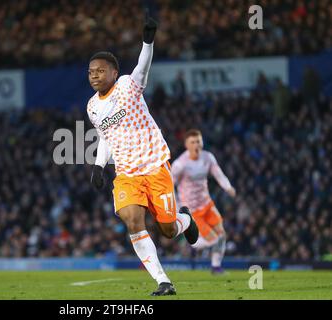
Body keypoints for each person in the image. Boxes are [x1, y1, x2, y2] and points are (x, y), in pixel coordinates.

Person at [87, 10, 198, 296]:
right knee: (132, 220)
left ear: (113, 71)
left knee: (168, 230)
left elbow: (142, 68)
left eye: (100, 70)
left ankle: (185, 220)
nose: (94, 75)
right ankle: (163, 281)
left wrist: (147, 42)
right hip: (126, 174)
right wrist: (99, 166)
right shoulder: (92, 107)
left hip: (154, 166)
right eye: (90, 72)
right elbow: (105, 137)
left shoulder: (127, 85)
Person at [171, 129, 236, 274]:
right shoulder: (180, 164)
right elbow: (169, 185)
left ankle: (216, 267)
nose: (196, 145)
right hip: (192, 209)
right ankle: (191, 244)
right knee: (213, 239)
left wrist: (228, 187)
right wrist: (176, 205)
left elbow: (218, 174)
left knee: (222, 235)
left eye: (198, 141)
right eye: (192, 142)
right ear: (186, 145)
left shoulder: (208, 157)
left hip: (207, 204)